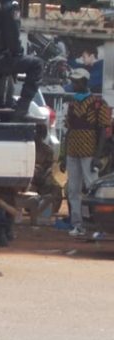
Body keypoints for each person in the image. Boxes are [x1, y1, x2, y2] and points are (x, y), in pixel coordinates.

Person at [59, 68, 111, 237]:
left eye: (77, 81)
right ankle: (78, 224)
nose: (74, 84)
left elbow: (103, 130)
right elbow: (68, 130)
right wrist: (63, 156)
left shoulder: (98, 103)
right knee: (73, 189)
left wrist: (97, 156)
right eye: (73, 81)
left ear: (85, 82)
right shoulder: (73, 103)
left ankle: (97, 226)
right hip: (73, 150)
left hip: (89, 151)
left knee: (92, 188)